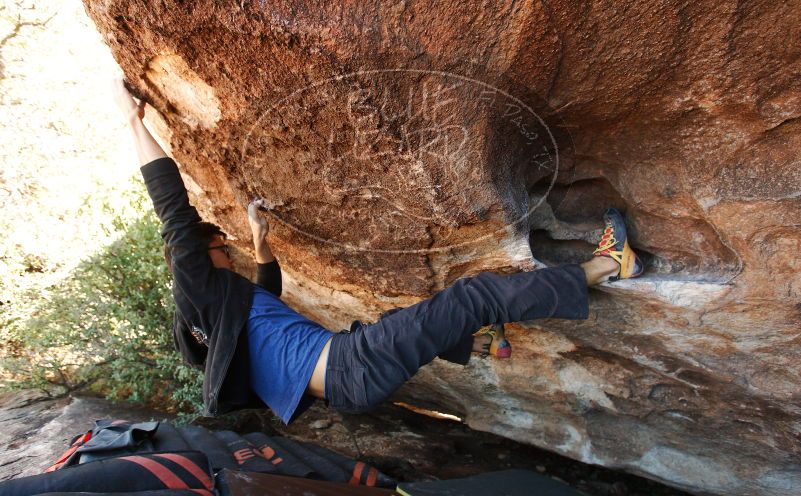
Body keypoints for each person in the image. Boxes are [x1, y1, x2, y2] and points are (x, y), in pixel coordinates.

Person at [113, 80, 643, 424]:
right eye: (219, 247)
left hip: (347, 377)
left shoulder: (224, 316)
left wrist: (259, 242)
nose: (226, 250)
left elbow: (265, 295)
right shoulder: (197, 287)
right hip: (349, 365)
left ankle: (483, 344)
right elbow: (173, 212)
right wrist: (133, 122)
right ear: (199, 257)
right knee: (473, 295)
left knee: (403, 318)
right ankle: (607, 265)